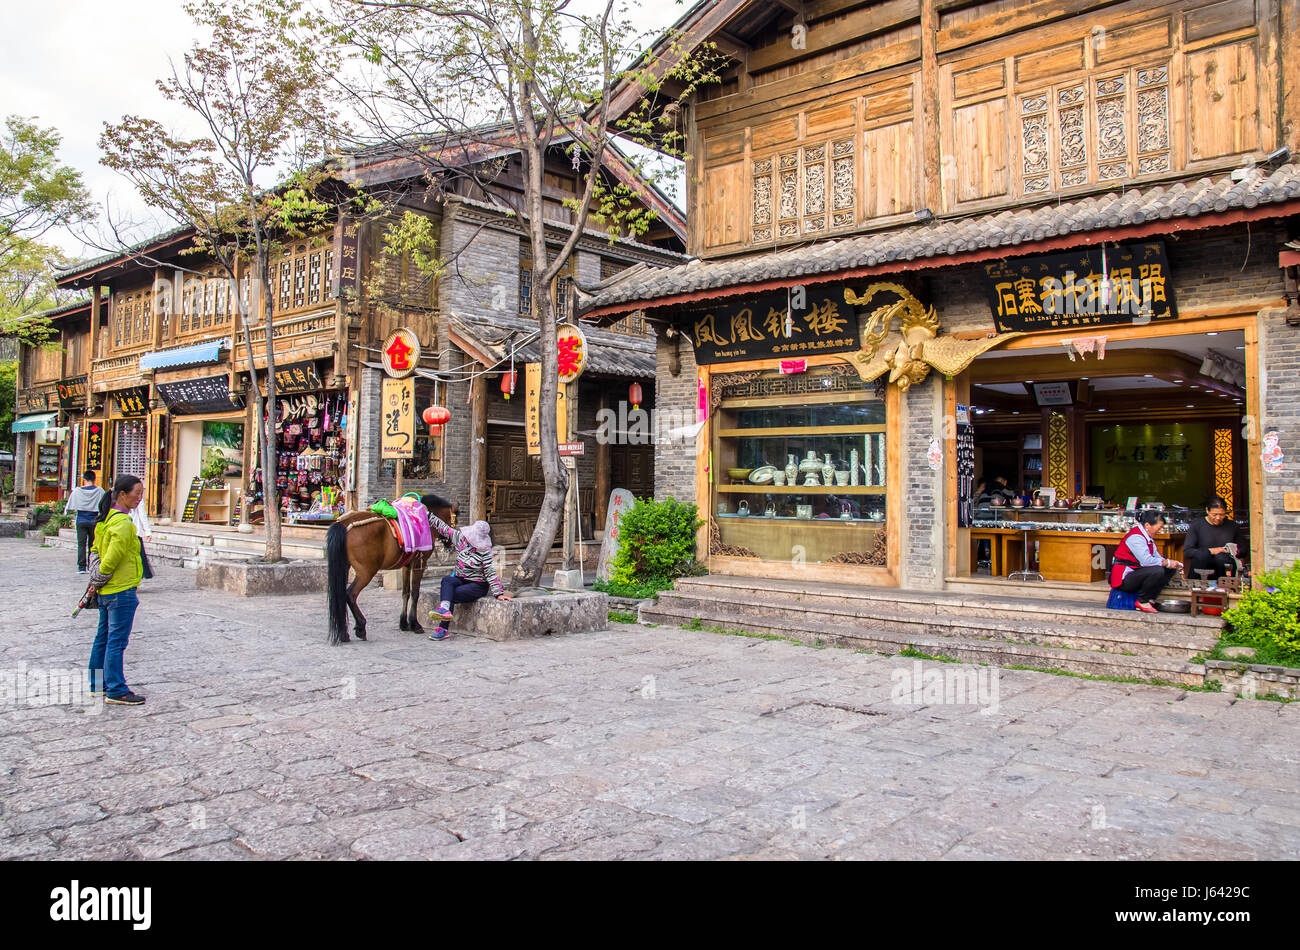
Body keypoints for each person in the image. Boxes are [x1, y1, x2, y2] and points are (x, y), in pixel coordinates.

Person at [86, 475, 146, 705]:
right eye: (137, 493)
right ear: (122, 494)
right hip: (121, 589)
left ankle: (97, 683)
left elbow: (95, 550)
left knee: (103, 637)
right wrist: (99, 577)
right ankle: (116, 689)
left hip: (107, 591)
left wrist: (97, 581)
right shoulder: (122, 523)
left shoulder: (106, 520)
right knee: (116, 641)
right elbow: (110, 559)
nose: (139, 498)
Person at [426, 514, 512, 641]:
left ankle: (443, 629)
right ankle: (444, 609)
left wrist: (498, 593)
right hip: (461, 578)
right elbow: (443, 528)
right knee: (447, 581)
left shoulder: (485, 552)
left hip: (477, 585)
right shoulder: (460, 538)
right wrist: (428, 515)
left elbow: (490, 572)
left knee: (451, 595)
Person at [1110, 510, 1183, 613]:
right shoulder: (1136, 537)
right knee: (1157, 571)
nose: (1160, 530)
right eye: (1159, 527)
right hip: (1124, 578)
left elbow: (1157, 557)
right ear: (1148, 525)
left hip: (1136, 573)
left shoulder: (1148, 538)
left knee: (1168, 569)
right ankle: (1142, 601)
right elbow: (1146, 561)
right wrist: (1166, 562)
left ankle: (1150, 598)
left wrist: (1172, 563)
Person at [1183, 496, 1241, 581]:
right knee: (1203, 555)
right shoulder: (1197, 525)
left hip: (1224, 568)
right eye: (1214, 515)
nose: (1218, 518)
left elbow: (1243, 549)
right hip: (1201, 566)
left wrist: (1232, 550)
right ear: (1207, 510)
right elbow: (1188, 552)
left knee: (1221, 558)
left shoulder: (1232, 526)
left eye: (1221, 514)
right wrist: (1211, 551)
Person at [67, 470, 106, 575]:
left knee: (81, 544)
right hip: (94, 520)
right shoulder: (100, 491)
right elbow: (105, 505)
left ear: (84, 479)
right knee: (92, 544)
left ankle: (81, 567)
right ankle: (92, 565)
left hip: (81, 520)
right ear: (94, 479)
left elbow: (70, 506)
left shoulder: (77, 491)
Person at [130, 501, 155, 582]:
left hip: (134, 531)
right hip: (131, 531)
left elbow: (142, 514)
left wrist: (147, 530)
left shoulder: (137, 499)